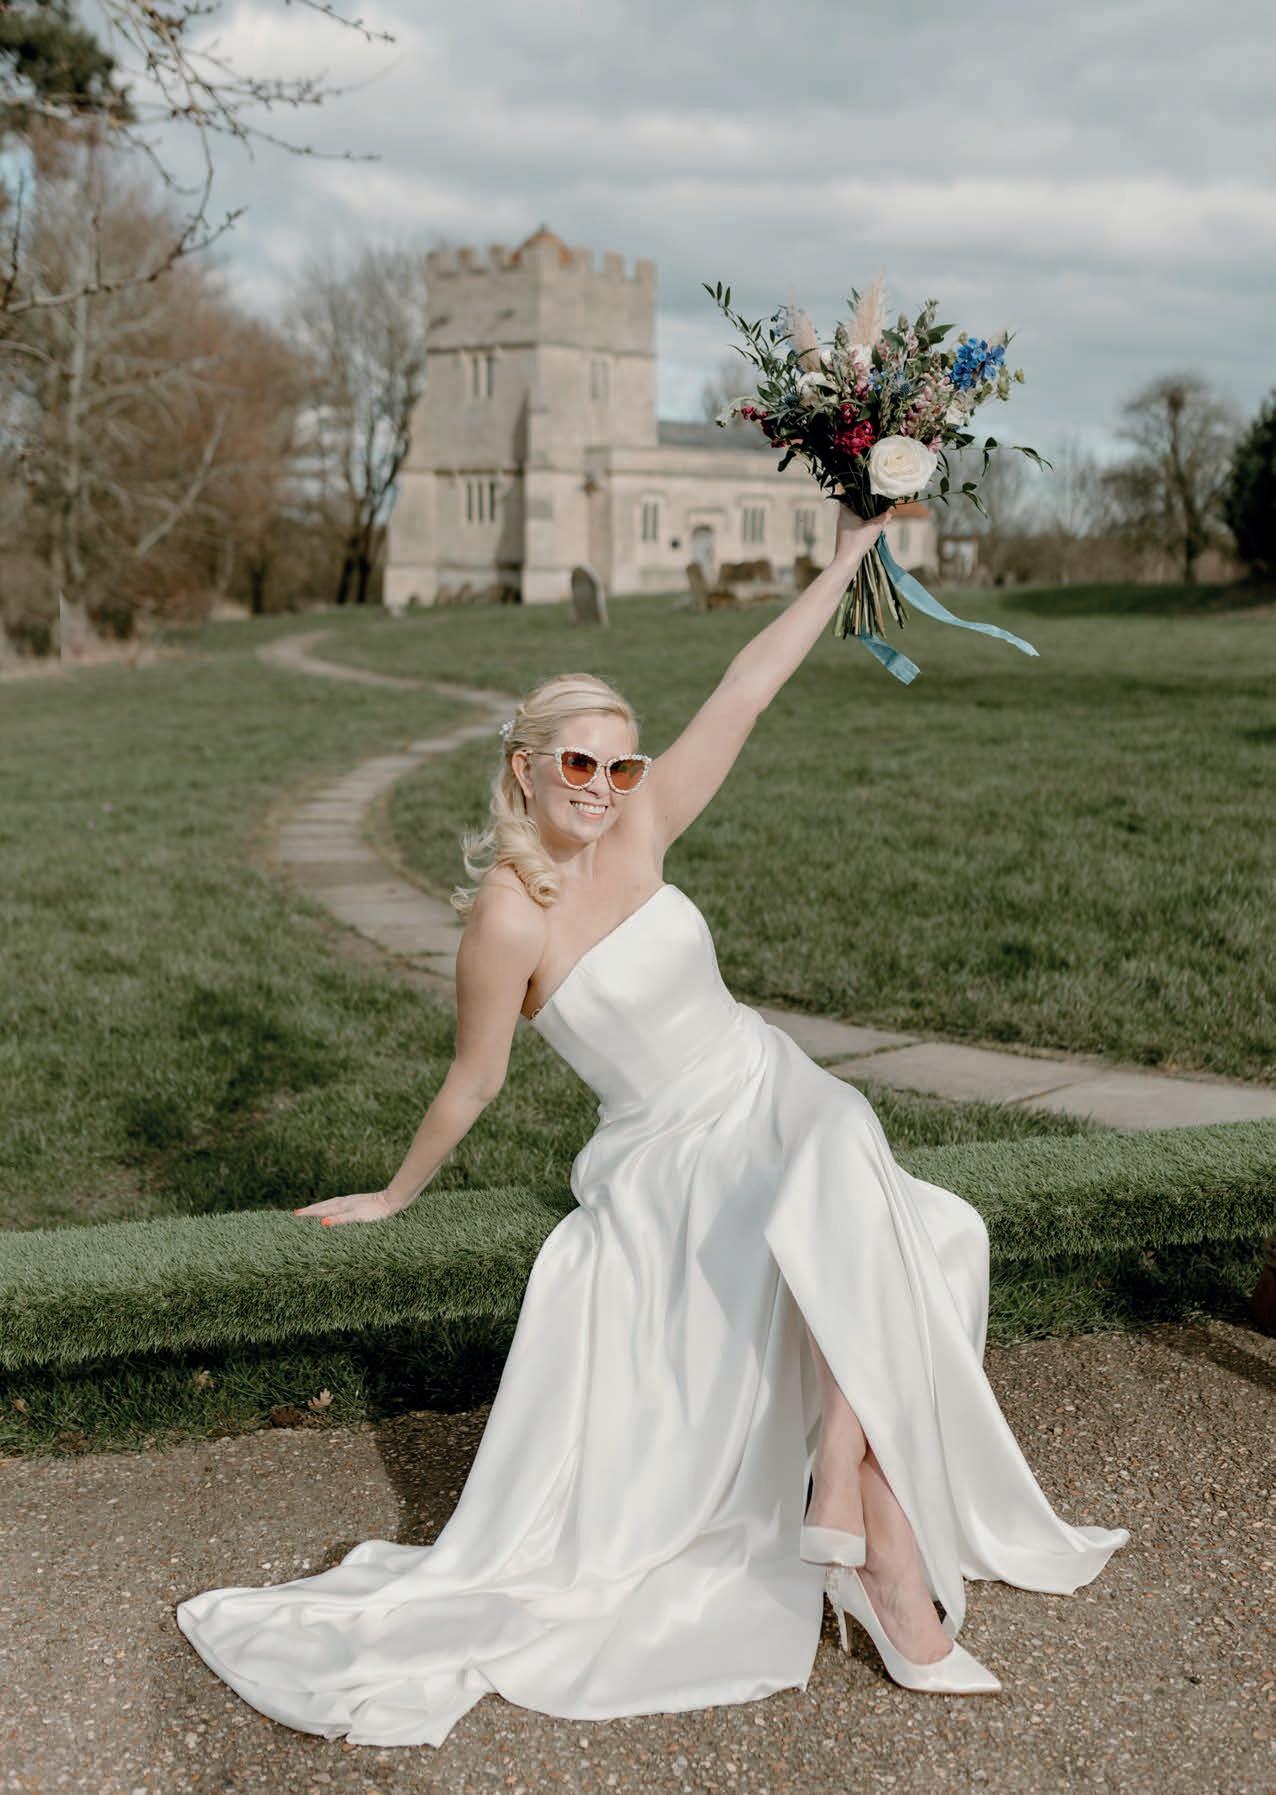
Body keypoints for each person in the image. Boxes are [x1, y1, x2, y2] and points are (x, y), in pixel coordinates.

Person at [175, 501, 1130, 1746]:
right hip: (668, 1151)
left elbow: (748, 684)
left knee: (879, 1171)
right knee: (877, 1191)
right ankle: (882, 1558)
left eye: (619, 767)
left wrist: (848, 556)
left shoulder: (641, 826)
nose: (603, 788)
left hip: (764, 1085)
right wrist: (395, 1192)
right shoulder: (507, 918)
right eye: (579, 765)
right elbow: (472, 1081)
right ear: (526, 766)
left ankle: (844, 1490)